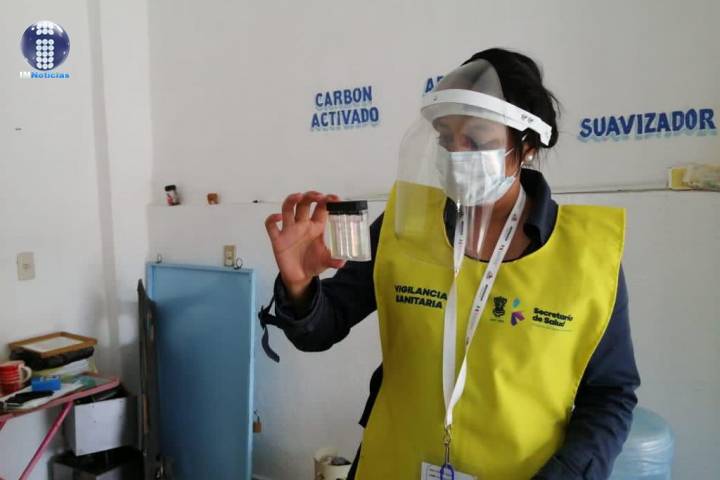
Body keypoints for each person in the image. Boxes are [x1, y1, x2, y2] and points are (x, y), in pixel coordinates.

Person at [262, 48, 640, 479]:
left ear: (527, 146)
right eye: (446, 138)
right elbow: (320, 330)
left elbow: (610, 393)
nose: (457, 154)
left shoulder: (587, 255)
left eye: (476, 141)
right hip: (394, 464)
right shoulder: (407, 225)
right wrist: (299, 285)